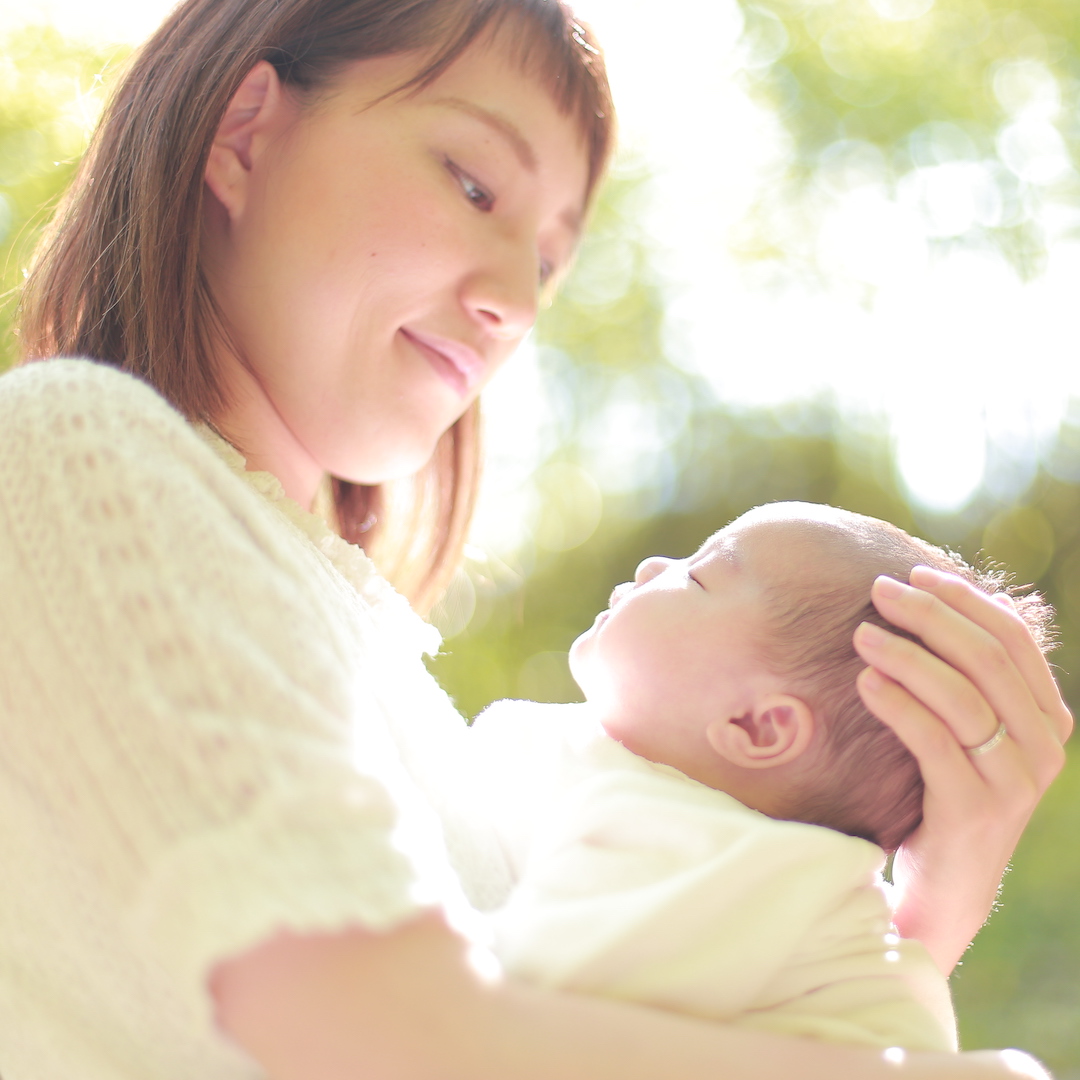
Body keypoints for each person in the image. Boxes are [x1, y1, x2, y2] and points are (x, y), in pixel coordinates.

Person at [1, 0, 1070, 1076]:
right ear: (246, 134)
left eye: (549, 264)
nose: (516, 298)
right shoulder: (76, 454)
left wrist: (917, 930)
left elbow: (563, 1009)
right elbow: (391, 1033)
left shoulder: (391, 681)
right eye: (474, 185)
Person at [473, 502, 1055, 1054]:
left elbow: (522, 1005)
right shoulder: (798, 897)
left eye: (698, 576)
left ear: (757, 727)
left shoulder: (698, 854)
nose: (653, 566)